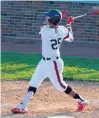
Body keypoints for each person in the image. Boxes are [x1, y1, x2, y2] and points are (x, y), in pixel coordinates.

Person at [11, 9, 88, 114]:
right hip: (44, 62)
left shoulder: (44, 30)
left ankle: (81, 100)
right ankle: (22, 105)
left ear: (52, 19)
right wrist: (69, 23)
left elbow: (48, 26)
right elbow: (70, 38)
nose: (46, 18)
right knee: (34, 82)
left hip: (53, 63)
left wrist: (63, 20)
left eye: (48, 17)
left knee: (60, 86)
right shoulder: (62, 30)